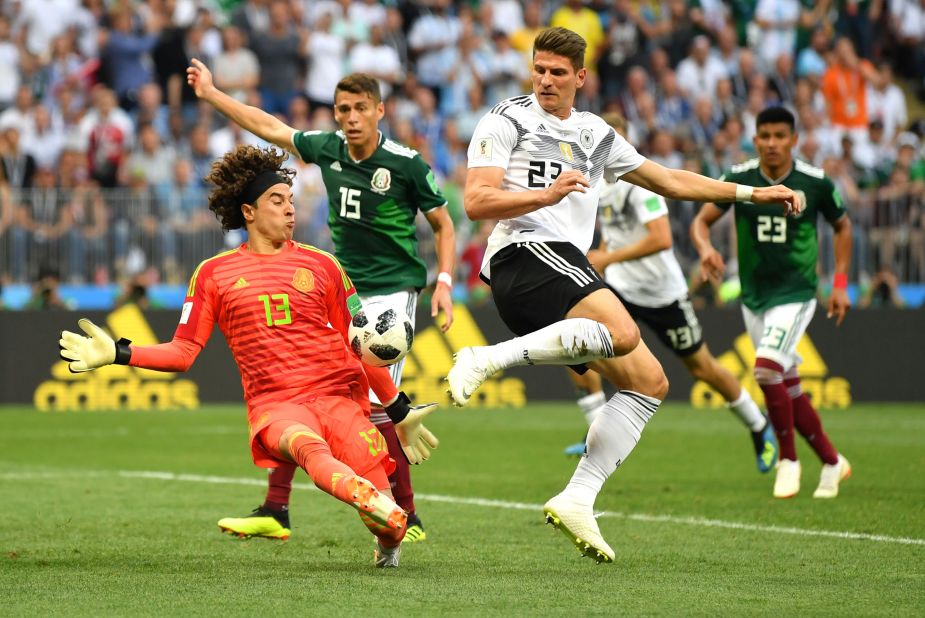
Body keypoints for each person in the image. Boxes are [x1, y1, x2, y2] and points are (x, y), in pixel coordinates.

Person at [446, 27, 800, 563]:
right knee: (623, 330)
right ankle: (485, 358)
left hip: (560, 266)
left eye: (557, 72)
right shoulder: (505, 118)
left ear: (580, 78)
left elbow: (670, 181)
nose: (545, 79)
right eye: (539, 69)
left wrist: (752, 193)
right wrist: (549, 192)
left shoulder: (594, 132)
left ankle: (578, 497)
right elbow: (475, 201)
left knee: (650, 381)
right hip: (522, 253)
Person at [59, 145, 439, 568]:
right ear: (249, 212)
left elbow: (363, 346)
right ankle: (361, 495)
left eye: (291, 201)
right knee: (305, 447)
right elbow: (182, 352)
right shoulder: (214, 274)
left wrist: (398, 409)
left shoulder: (325, 265)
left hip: (338, 397)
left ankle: (385, 542)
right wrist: (118, 351)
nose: (290, 211)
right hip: (277, 405)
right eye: (277, 202)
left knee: (391, 526)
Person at [186, 62, 456, 544]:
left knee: (377, 402)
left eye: (359, 109)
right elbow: (267, 125)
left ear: (380, 111)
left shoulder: (407, 162)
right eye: (341, 109)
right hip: (339, 288)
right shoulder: (328, 150)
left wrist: (446, 280)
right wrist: (211, 94)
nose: (350, 117)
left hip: (391, 294)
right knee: (300, 386)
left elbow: (443, 224)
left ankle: (406, 513)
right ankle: (276, 509)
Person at [560, 114, 778, 474]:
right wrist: (601, 257)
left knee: (702, 367)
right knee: (577, 342)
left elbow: (661, 238)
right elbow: (614, 235)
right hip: (621, 288)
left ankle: (758, 425)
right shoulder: (598, 183)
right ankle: (597, 433)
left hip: (663, 293)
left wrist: (608, 256)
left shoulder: (637, 184)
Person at [691, 106, 853, 500]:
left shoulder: (814, 182)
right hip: (754, 296)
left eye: (780, 136)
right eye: (764, 135)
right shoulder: (740, 178)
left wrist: (840, 284)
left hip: (796, 293)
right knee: (786, 383)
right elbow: (701, 220)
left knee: (764, 370)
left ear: (794, 140)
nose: (772, 143)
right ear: (755, 138)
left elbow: (842, 226)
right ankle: (833, 463)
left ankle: (788, 461)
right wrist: (704, 247)